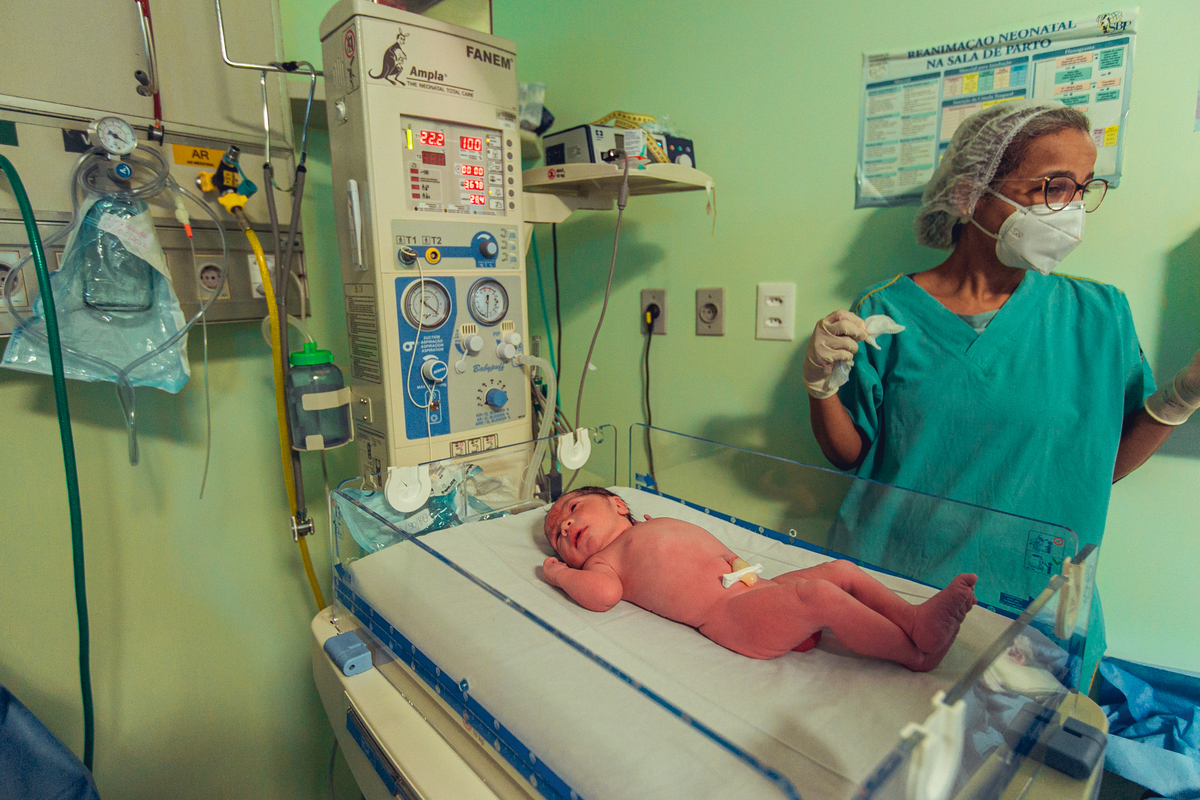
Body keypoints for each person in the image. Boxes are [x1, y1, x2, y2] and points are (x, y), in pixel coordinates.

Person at [803, 99, 1200, 682]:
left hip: (1034, 616)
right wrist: (820, 386)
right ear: (970, 193)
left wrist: (1182, 395)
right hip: (896, 594)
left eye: (1084, 188)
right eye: (1053, 186)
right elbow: (850, 455)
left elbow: (1096, 468)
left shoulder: (1098, 316)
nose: (1072, 209)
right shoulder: (886, 311)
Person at [540, 487, 977, 670]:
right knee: (819, 596)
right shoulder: (606, 563)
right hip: (732, 614)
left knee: (840, 571)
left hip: (757, 585)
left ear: (619, 504)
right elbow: (603, 595)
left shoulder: (648, 525)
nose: (565, 526)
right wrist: (560, 575)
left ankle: (913, 619)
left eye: (572, 509)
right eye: (557, 536)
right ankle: (914, 655)